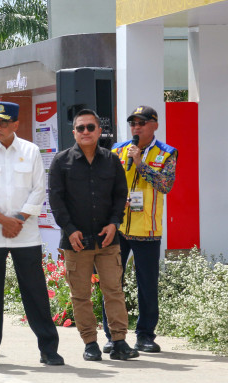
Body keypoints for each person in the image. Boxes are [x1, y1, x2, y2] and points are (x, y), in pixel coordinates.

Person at [0, 101, 62, 367]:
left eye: (2, 123)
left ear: (15, 125)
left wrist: (18, 220)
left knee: (35, 293)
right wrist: (3, 221)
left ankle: (48, 348)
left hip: (25, 233)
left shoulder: (31, 151)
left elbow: (38, 189)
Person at [49, 109, 139, 362]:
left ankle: (119, 341)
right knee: (81, 295)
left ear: (100, 131)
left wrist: (114, 223)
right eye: (80, 128)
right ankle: (90, 343)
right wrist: (69, 229)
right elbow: (56, 200)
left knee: (114, 291)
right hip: (75, 242)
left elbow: (120, 195)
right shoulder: (61, 161)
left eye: (90, 127)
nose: (86, 132)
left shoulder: (111, 161)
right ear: (74, 132)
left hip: (108, 240)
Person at [107, 105, 178, 354]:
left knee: (147, 284)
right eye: (133, 124)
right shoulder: (117, 150)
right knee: (112, 282)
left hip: (147, 228)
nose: (136, 128)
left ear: (155, 125)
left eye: (142, 123)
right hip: (118, 226)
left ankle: (145, 335)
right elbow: (108, 183)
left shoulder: (167, 153)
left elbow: (166, 185)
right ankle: (113, 335)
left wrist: (140, 164)